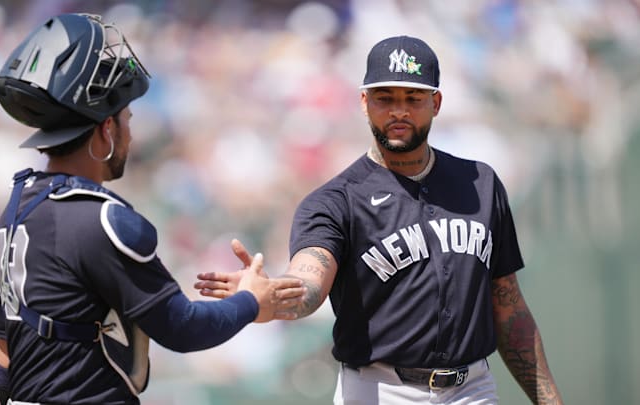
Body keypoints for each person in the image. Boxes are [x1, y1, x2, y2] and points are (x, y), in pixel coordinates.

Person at [196, 35, 564, 404]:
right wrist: (273, 298)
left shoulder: (481, 184)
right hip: (379, 391)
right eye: (385, 98)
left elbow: (508, 306)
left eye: (413, 98)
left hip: (472, 389)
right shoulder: (335, 201)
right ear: (364, 102)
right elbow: (309, 281)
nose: (399, 111)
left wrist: (549, 400)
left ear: (435, 103)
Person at [0, 13, 304, 405]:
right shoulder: (100, 219)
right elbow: (182, 329)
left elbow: (5, 357)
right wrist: (252, 302)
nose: (131, 133)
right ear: (106, 129)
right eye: (127, 119)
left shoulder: (17, 208)